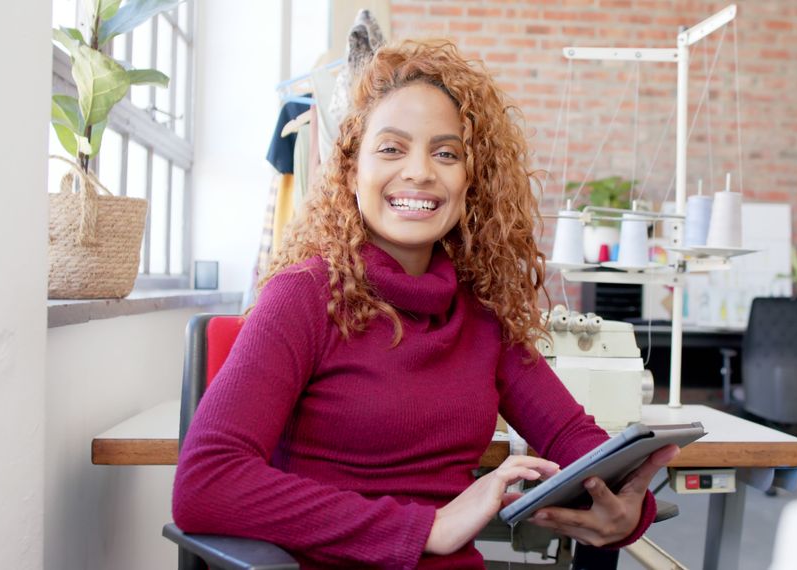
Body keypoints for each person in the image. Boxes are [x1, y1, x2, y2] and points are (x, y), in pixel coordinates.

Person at [172, 39, 679, 569]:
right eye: (391, 148)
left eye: (446, 153)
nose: (419, 172)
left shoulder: (480, 314)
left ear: (470, 183)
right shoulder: (304, 295)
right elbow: (207, 483)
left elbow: (573, 437)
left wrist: (627, 507)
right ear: (351, 173)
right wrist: (426, 527)